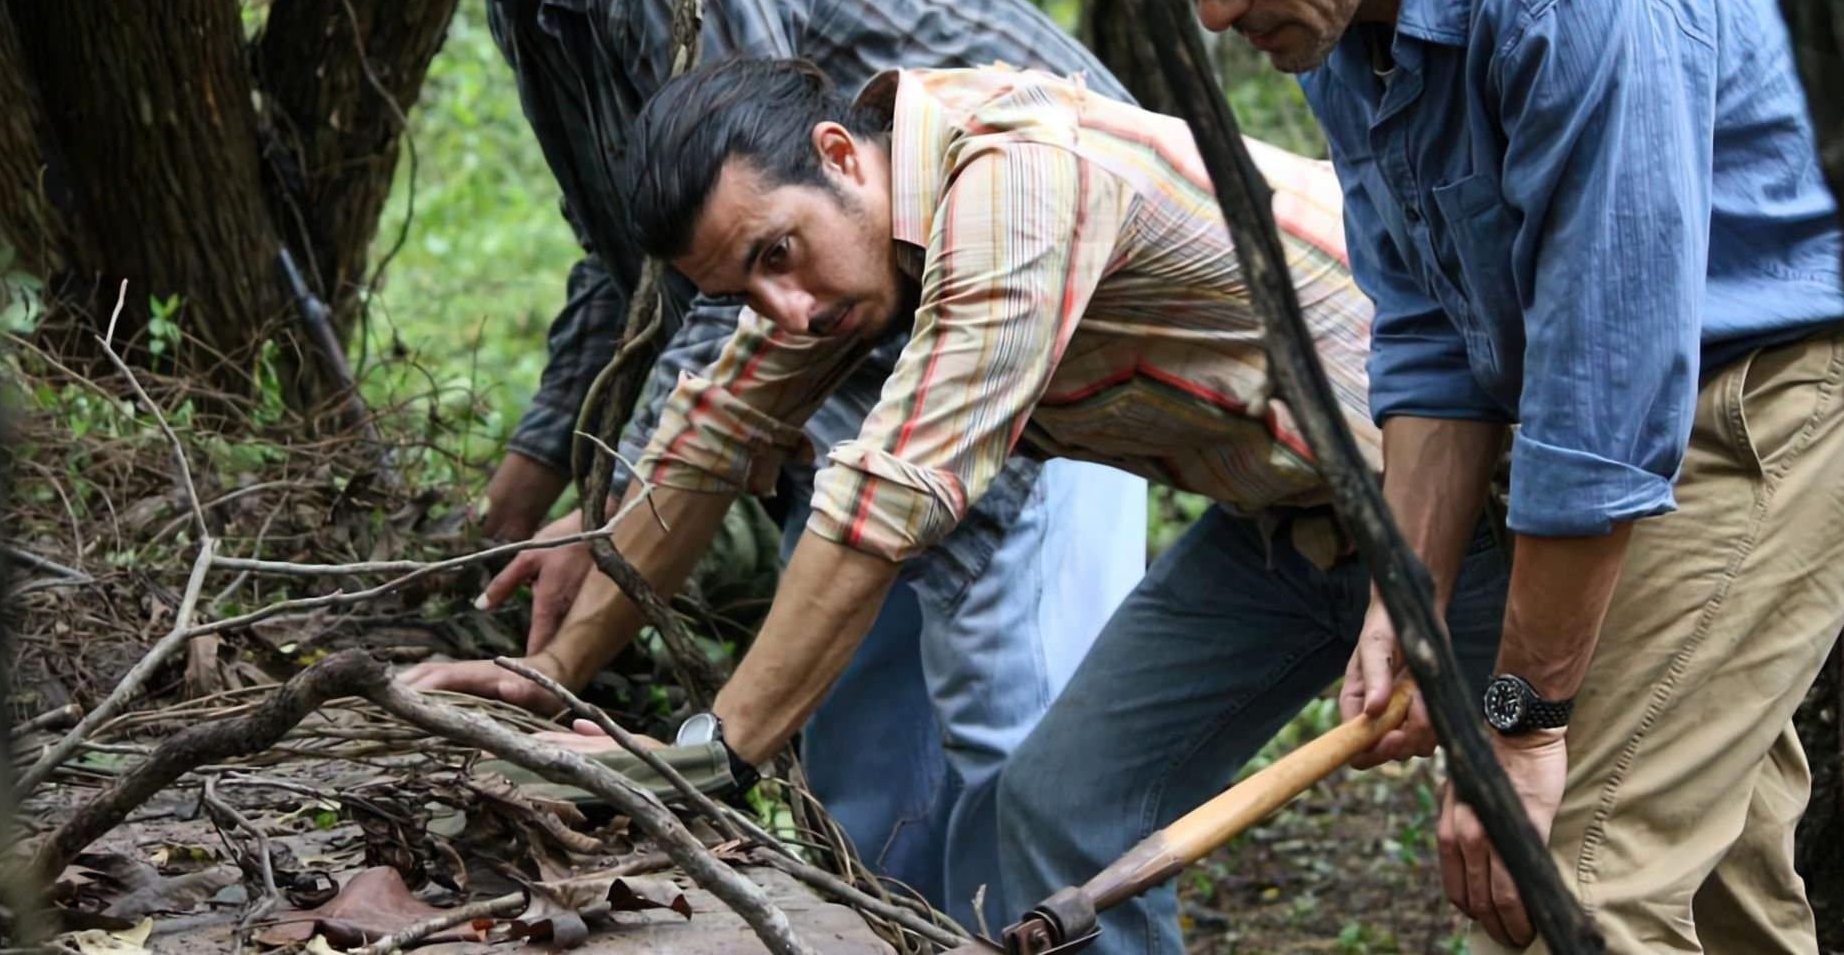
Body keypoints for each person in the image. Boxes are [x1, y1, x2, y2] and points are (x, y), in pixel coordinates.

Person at [556, 56, 1508, 953]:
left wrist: (714, 758)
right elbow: (712, 433)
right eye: (746, 291)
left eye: (779, 256)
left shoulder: (1015, 180)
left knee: (1549, 859)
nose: (788, 310)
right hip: (1297, 523)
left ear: (840, 155)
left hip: (1479, 494)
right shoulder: (843, 247)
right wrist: (551, 670)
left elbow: (883, 502)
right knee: (1065, 805)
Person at [341, 0, 1149, 922]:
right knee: (871, 799)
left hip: (1034, 362)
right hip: (851, 382)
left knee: (1030, 801)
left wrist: (615, 524)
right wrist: (536, 498)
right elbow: (643, 276)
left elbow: (742, 274)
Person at [1149, 0, 1844, 949]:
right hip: (1654, 411)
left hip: (1793, 388)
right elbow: (1435, 336)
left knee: (1572, 873)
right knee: (1707, 863)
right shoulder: (1346, 33)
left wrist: (1522, 721)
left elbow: (1601, 393)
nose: (1216, 10)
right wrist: (1407, 606)